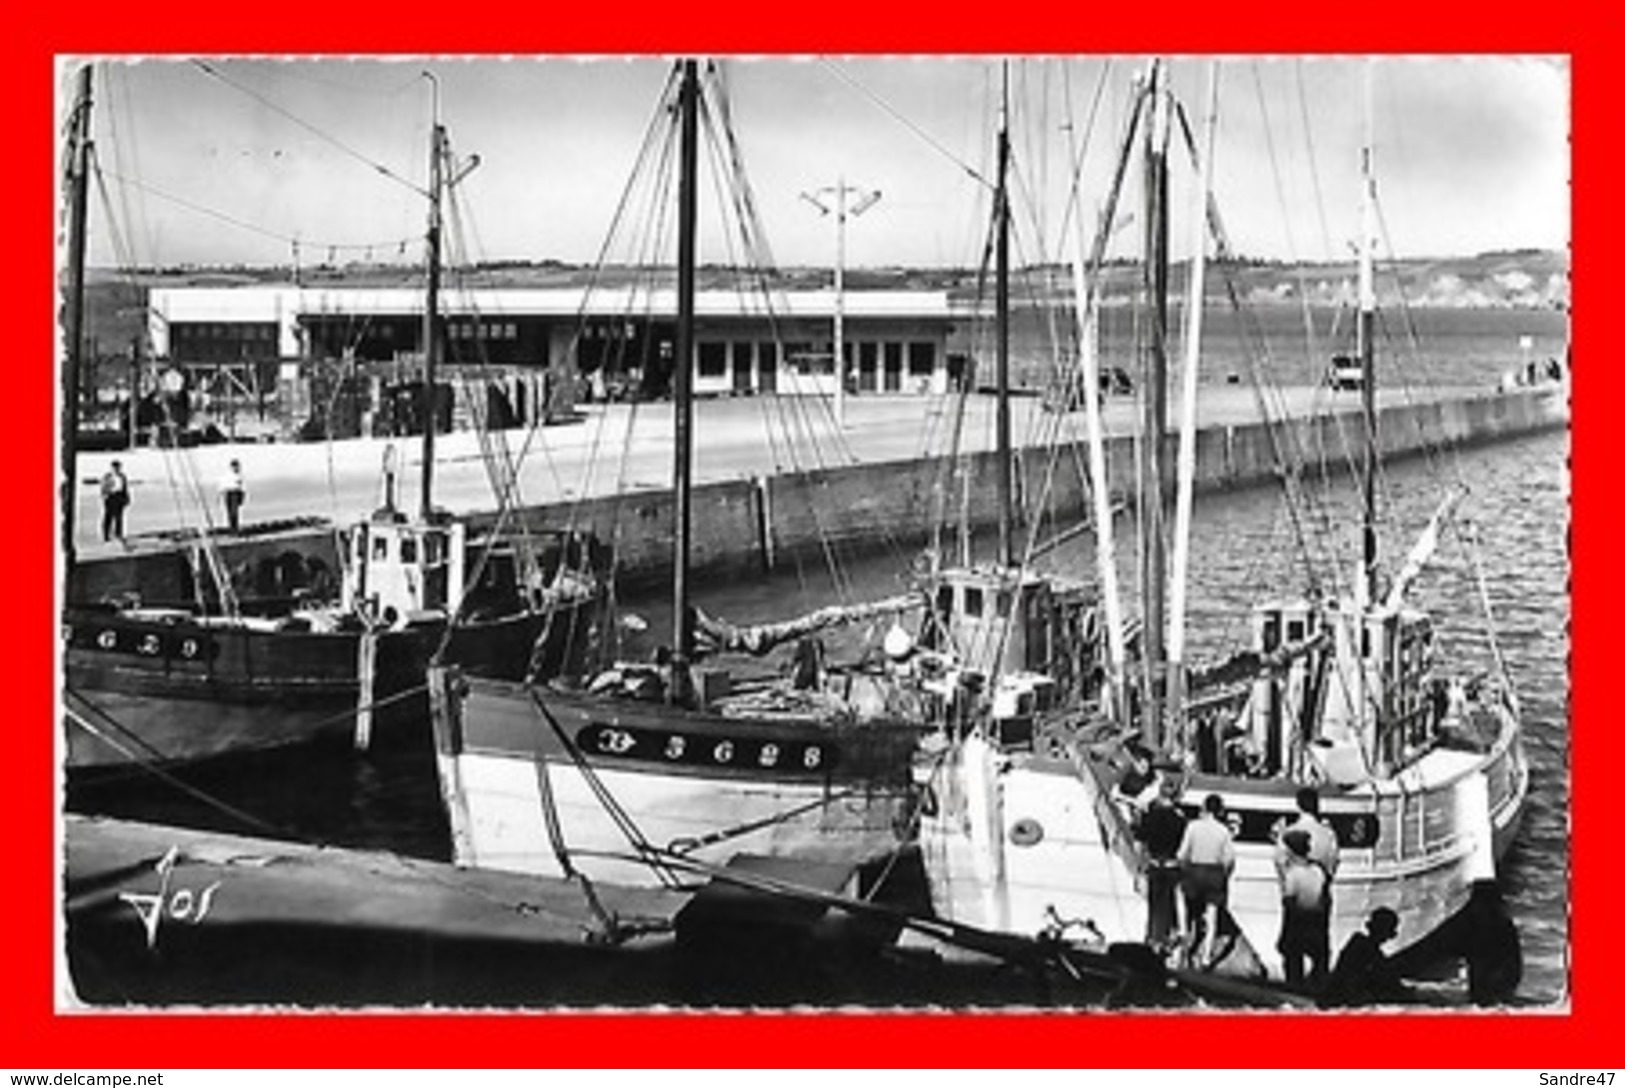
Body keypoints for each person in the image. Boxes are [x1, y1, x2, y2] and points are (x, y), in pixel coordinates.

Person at [1176, 792, 1236, 968]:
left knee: (1186, 907)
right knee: (1212, 918)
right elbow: (1229, 859)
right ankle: (1206, 957)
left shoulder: (1193, 827)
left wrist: (1184, 869)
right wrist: (1225, 876)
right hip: (1215, 873)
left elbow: (1182, 854)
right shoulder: (1223, 831)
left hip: (1194, 871)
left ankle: (1184, 940)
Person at [1136, 773, 1188, 953]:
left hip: (1154, 864)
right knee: (1169, 904)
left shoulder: (1150, 816)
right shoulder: (1180, 820)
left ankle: (1152, 938)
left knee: (1154, 905)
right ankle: (1166, 939)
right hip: (1172, 866)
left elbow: (1140, 842)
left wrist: (1139, 868)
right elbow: (1184, 848)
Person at [1276, 828, 1332, 989]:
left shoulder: (1293, 874)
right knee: (1319, 960)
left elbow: (1289, 903)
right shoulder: (1318, 871)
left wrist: (1285, 933)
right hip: (1317, 920)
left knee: (1293, 961)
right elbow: (1326, 899)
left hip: (1298, 921)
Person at [1319, 906, 1407, 1008]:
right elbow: (1348, 976)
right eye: (1385, 931)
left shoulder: (1365, 947)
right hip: (1341, 996)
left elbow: (1386, 974)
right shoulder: (1363, 947)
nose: (1386, 938)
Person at [100, 460, 129, 543]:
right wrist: (104, 496)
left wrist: (126, 498)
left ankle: (118, 534)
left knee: (119, 517)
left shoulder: (122, 477)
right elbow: (103, 487)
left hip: (119, 497)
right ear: (112, 468)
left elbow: (125, 488)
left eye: (118, 468)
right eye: (115, 468)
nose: (116, 469)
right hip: (110, 497)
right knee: (108, 517)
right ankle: (106, 535)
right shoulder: (107, 476)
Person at [219, 458, 246, 534]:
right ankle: (232, 529)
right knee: (229, 512)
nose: (236, 468)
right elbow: (222, 485)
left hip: (236, 493)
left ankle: (235, 528)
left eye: (237, 466)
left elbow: (243, 487)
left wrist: (242, 497)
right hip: (228, 493)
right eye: (234, 466)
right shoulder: (227, 475)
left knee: (235, 512)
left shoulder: (240, 476)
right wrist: (221, 494)